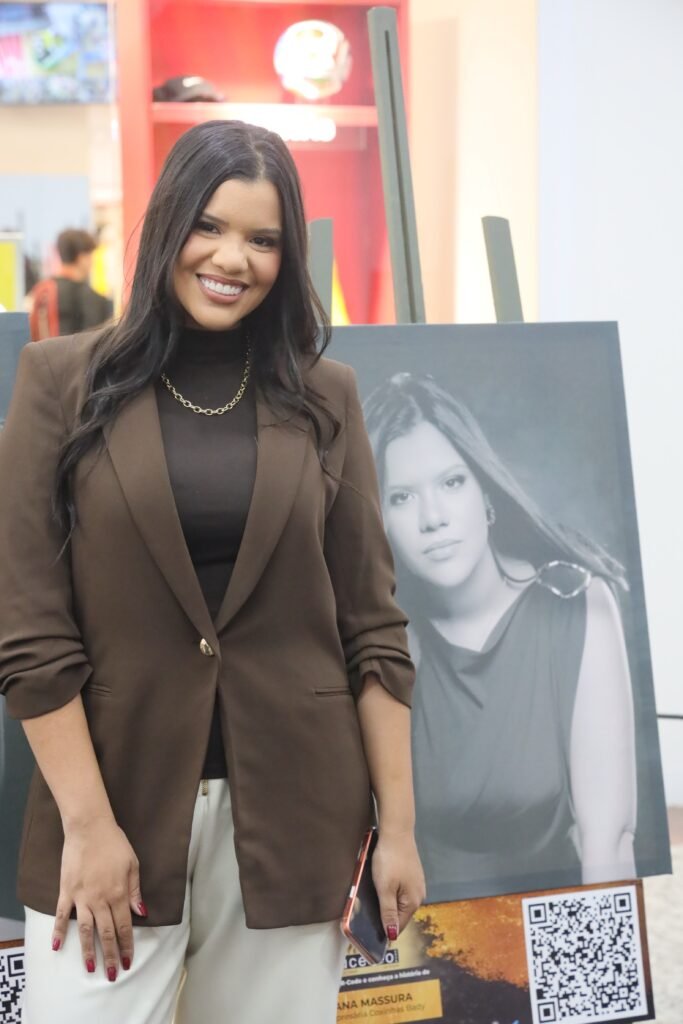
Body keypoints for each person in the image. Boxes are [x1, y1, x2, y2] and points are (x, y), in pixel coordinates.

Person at [0, 120, 425, 1024]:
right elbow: (29, 630)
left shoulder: (326, 396)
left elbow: (373, 627)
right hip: (112, 805)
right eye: (210, 225)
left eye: (263, 239)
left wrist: (398, 830)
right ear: (167, 223)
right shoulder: (58, 381)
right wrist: (89, 824)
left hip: (297, 816)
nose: (233, 258)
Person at [363, 372, 637, 902]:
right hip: (422, 936)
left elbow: (608, 838)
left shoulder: (576, 606)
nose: (433, 518)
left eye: (451, 482)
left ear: (485, 489)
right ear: (383, 520)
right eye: (402, 496)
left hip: (550, 924)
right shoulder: (381, 634)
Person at [28, 228, 113, 340]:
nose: (92, 262)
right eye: (90, 256)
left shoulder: (42, 291)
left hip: (48, 350)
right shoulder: (97, 300)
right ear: (82, 258)